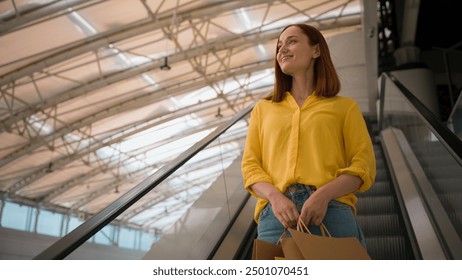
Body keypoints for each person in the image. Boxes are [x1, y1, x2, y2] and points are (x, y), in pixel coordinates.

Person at [241, 23, 376, 247]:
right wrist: (275, 198)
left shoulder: (344, 107)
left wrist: (323, 195)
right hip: (277, 218)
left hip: (331, 211)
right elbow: (250, 166)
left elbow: (364, 165)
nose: (282, 50)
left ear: (316, 50)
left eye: (292, 41)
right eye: (279, 46)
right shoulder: (263, 109)